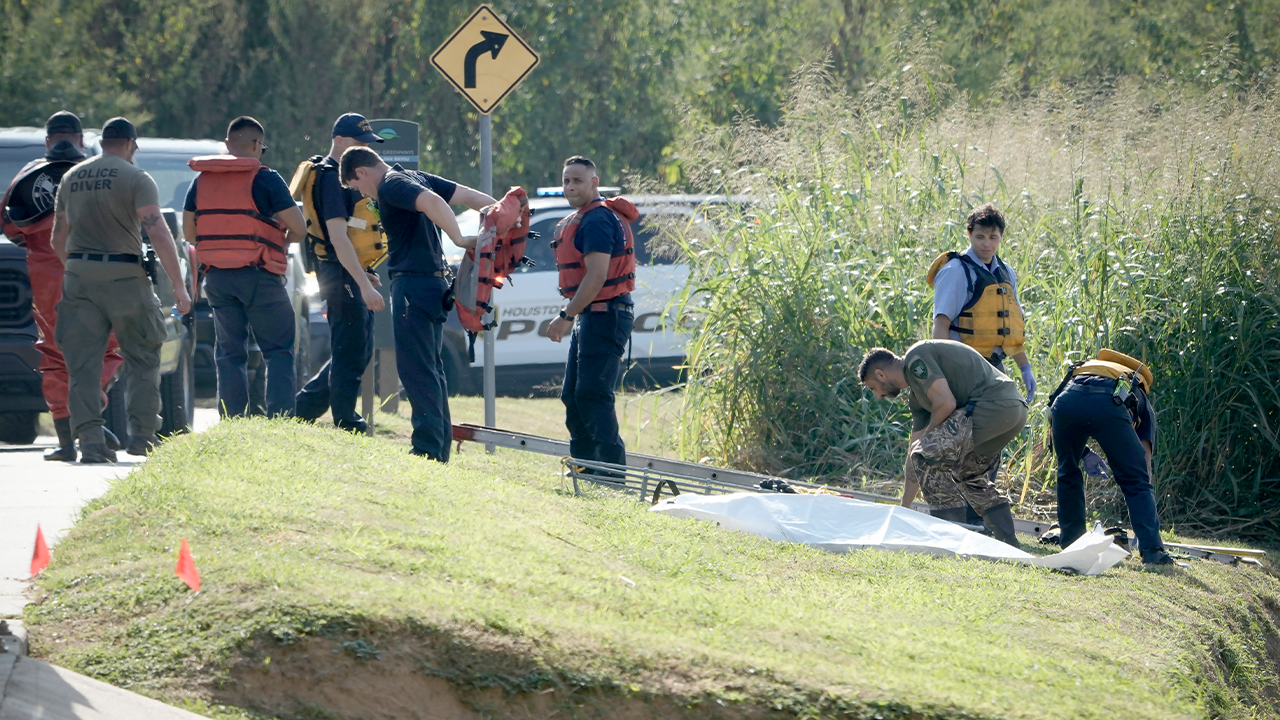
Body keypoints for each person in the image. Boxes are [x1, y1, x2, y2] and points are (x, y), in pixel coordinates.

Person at [50, 117, 192, 462]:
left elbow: (57, 238)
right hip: (125, 278)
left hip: (79, 276)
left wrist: (76, 269)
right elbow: (157, 231)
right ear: (131, 144)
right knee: (142, 355)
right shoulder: (136, 177)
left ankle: (90, 441)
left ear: (102, 143)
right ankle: (143, 435)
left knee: (82, 364)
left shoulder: (71, 177)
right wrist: (179, 285)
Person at [340, 147, 494, 461]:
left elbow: (434, 202)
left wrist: (459, 238)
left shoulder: (391, 185)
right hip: (433, 284)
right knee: (431, 368)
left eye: (357, 186)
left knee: (416, 370)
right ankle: (438, 447)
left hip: (414, 285)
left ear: (362, 172)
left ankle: (427, 449)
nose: (363, 194)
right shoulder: (414, 176)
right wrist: (503, 214)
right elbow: (468, 196)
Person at [1, 111, 126, 461]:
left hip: (47, 280)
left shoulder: (27, 175)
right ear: (81, 140)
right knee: (105, 349)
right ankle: (90, 412)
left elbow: (9, 226)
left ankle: (67, 442)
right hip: (99, 273)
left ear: (47, 140)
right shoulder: (102, 173)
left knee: (55, 355)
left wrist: (40, 244)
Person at [184, 116, 307, 418]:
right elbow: (299, 228)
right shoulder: (267, 179)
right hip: (260, 276)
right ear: (256, 145)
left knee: (229, 352)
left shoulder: (201, 182)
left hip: (218, 279)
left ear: (227, 145)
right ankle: (280, 418)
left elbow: (189, 234)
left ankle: (232, 418)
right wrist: (280, 243)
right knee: (278, 350)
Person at [859, 340, 1028, 547]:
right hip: (1012, 412)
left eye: (873, 388)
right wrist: (903, 509)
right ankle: (1008, 542)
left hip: (993, 405)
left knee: (926, 454)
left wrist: (925, 443)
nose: (878, 396)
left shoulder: (915, 357)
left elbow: (946, 403)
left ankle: (947, 539)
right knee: (970, 476)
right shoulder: (917, 398)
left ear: (880, 374)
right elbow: (914, 456)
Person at [294, 113, 387, 432]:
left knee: (359, 348)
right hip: (338, 271)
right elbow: (338, 236)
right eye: (359, 142)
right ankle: (346, 420)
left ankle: (300, 411)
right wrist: (362, 282)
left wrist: (364, 273)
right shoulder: (330, 178)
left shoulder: (344, 174)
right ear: (339, 140)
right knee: (350, 348)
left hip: (351, 269)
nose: (365, 149)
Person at [544, 156, 637, 469]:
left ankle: (610, 475)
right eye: (566, 180)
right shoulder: (585, 217)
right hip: (591, 315)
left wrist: (565, 316)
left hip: (606, 315)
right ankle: (586, 470)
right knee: (574, 395)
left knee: (592, 394)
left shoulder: (597, 220)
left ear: (594, 183)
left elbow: (597, 276)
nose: (570, 187)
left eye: (577, 181)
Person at [1046, 349, 1175, 566]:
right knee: (1135, 479)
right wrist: (1144, 515)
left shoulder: (1083, 370)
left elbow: (1052, 414)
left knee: (1067, 471)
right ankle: (1152, 551)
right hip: (1110, 403)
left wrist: (1082, 453)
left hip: (1067, 401)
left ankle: (1072, 545)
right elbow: (1143, 464)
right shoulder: (1137, 389)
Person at [927, 203, 1035, 399]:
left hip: (994, 365)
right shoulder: (956, 270)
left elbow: (1010, 327)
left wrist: (1025, 367)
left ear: (1002, 236)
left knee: (1009, 413)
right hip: (962, 366)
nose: (986, 244)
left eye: (993, 237)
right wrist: (946, 373)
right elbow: (941, 325)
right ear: (969, 234)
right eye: (980, 237)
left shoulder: (1006, 272)